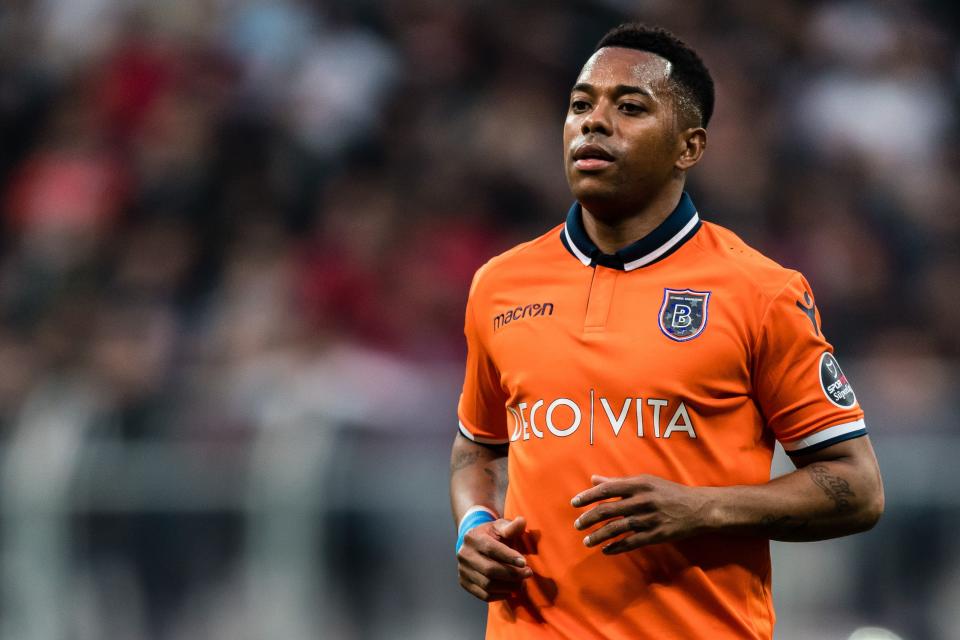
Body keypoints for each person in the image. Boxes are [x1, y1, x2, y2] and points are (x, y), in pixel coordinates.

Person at [449, 22, 884, 640]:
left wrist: (700, 506)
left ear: (689, 147)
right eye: (580, 105)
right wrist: (473, 526)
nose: (593, 123)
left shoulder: (758, 292)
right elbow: (477, 449)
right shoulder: (500, 284)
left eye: (629, 107)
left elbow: (858, 488)